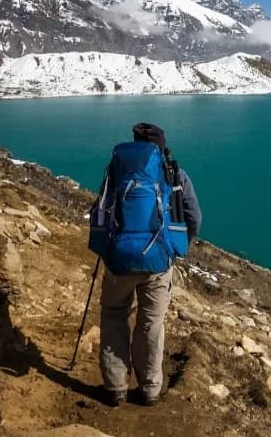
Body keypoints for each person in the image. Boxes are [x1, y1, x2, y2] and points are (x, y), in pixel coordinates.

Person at [95, 122, 201, 406]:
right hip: (158, 261)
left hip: (119, 259)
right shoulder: (174, 173)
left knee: (114, 315)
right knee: (151, 323)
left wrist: (105, 248)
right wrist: (178, 246)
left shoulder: (117, 169)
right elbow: (194, 217)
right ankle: (150, 388)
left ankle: (115, 387)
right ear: (161, 146)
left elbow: (102, 211)